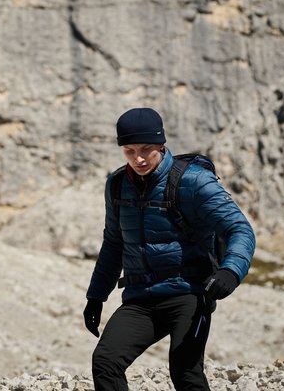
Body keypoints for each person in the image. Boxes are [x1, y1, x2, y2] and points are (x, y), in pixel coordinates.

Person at [83, 107, 255, 391]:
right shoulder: (116, 185)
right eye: (129, 151)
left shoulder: (194, 181)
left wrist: (231, 271)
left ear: (161, 145)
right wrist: (96, 296)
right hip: (140, 298)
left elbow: (239, 228)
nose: (138, 158)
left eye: (146, 149)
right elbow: (114, 243)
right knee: (106, 360)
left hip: (188, 294)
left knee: (185, 370)